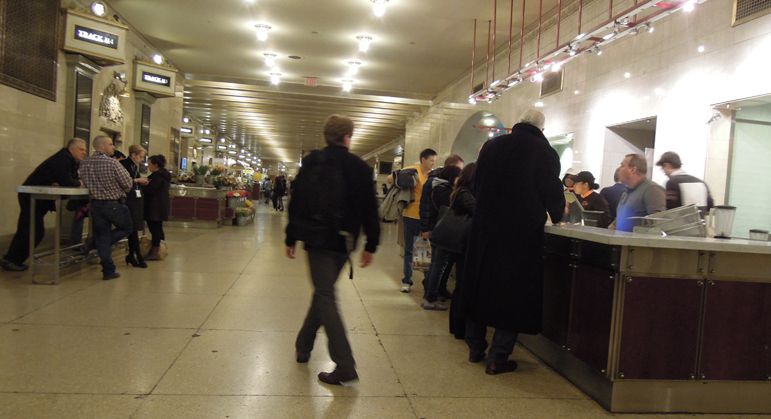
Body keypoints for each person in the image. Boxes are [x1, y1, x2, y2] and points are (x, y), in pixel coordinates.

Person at [462, 109, 565, 375]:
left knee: (480, 286)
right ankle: (498, 357)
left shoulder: (492, 146)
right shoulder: (544, 152)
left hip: (485, 229)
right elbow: (551, 192)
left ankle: (475, 347)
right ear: (542, 128)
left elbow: (476, 184)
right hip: (520, 235)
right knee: (512, 293)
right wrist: (557, 215)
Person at [285, 114, 380, 386]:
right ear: (348, 137)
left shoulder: (312, 162)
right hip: (343, 242)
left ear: (326, 136)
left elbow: (297, 201)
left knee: (325, 294)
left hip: (316, 240)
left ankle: (344, 364)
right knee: (324, 292)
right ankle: (303, 345)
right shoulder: (360, 168)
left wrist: (291, 236)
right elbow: (369, 210)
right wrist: (371, 244)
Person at [1, 138, 87, 272]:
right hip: (32, 196)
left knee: (30, 229)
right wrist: (76, 182)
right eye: (81, 149)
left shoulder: (70, 160)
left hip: (39, 197)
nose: (84, 153)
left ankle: (12, 259)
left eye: (85, 150)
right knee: (32, 230)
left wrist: (72, 181)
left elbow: (71, 179)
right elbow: (68, 181)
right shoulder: (63, 159)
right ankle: (11, 259)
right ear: (71, 148)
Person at [78, 135, 134, 280]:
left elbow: (82, 181)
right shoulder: (112, 163)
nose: (113, 147)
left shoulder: (84, 164)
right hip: (113, 204)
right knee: (127, 228)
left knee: (102, 234)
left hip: (96, 205)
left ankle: (108, 270)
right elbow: (128, 183)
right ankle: (96, 243)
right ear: (101, 146)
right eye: (110, 144)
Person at [421, 164, 462, 310]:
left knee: (435, 265)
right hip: (439, 231)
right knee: (437, 265)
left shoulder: (437, 187)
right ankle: (430, 297)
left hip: (436, 229)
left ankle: (430, 293)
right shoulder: (444, 191)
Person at [397, 148, 437, 293]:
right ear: (423, 160)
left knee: (423, 250)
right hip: (410, 215)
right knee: (409, 250)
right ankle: (407, 281)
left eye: (434, 161)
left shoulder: (433, 175)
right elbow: (392, 178)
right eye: (431, 160)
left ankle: (427, 282)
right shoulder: (412, 170)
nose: (433, 163)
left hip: (424, 218)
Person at [447, 163, 476, 339]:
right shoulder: (465, 193)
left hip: (460, 243)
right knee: (463, 286)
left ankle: (457, 326)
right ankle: (458, 327)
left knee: (461, 286)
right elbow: (478, 210)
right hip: (464, 244)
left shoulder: (460, 191)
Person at [612, 153, 666, 232]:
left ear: (633, 170)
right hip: (620, 242)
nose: (619, 169)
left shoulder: (652, 190)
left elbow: (657, 224)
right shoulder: (626, 192)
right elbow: (618, 221)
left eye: (622, 166)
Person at [119, 145, 149, 268]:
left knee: (134, 229)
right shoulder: (124, 164)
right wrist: (138, 180)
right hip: (128, 200)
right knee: (131, 229)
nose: (141, 159)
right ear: (133, 155)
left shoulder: (134, 166)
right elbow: (125, 181)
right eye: (140, 156)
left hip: (135, 199)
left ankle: (132, 255)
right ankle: (136, 255)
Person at [144, 155, 171, 261]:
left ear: (155, 165)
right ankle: (161, 249)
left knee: (154, 229)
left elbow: (151, 190)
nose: (148, 166)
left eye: (149, 164)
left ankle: (156, 251)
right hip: (160, 206)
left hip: (154, 207)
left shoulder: (157, 176)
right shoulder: (164, 175)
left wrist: (143, 185)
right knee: (158, 228)